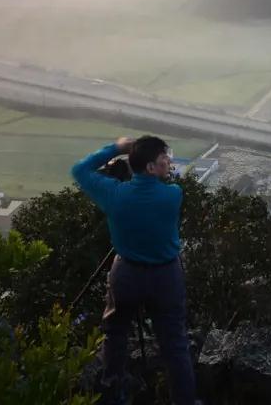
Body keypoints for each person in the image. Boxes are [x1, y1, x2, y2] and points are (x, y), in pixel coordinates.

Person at [71, 135, 198, 405]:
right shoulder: (173, 194)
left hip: (126, 273)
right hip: (166, 276)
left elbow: (79, 170)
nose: (169, 162)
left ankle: (112, 393)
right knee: (174, 342)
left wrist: (117, 148)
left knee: (116, 334)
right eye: (164, 159)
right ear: (151, 168)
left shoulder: (114, 194)